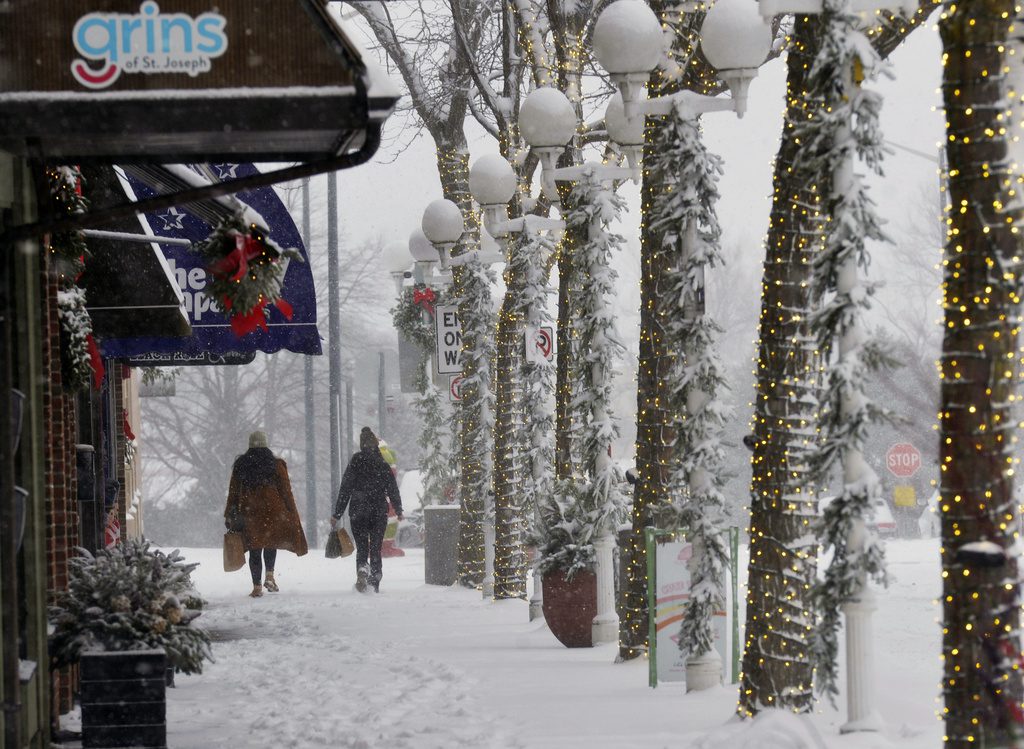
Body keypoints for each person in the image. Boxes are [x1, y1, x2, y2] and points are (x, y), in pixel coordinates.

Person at [225, 430, 308, 598]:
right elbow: (286, 491)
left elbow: (233, 491)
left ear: (250, 445)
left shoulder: (241, 465)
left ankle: (256, 586)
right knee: (270, 542)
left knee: (255, 548)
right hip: (273, 510)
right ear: (266, 444)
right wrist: (291, 510)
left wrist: (229, 512)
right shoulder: (276, 465)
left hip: (250, 511)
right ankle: (269, 576)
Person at [332, 427, 403, 593]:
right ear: (375, 445)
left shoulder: (355, 462)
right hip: (378, 510)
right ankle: (375, 581)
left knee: (362, 547)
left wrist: (337, 513)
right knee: (376, 548)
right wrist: (398, 509)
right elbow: (392, 488)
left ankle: (362, 569)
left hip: (358, 509)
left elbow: (346, 488)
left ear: (362, 445)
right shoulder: (382, 463)